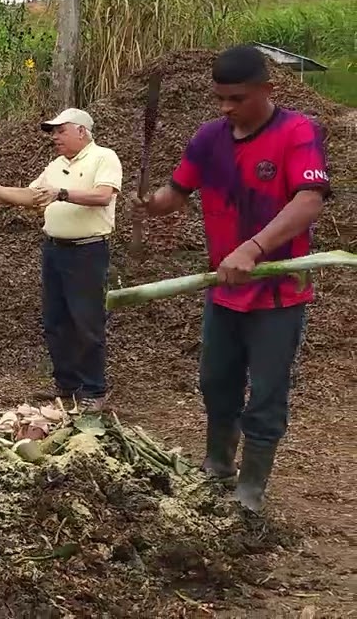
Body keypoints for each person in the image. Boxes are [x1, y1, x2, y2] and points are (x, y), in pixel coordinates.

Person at [135, 44, 329, 513]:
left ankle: (252, 487)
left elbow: (309, 201)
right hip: (224, 291)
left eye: (236, 98)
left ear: (266, 88)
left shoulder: (298, 131)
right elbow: (177, 192)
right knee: (216, 381)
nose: (226, 108)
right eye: (220, 98)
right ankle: (217, 465)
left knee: (266, 390)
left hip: (278, 293)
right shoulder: (208, 138)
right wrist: (154, 201)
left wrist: (254, 247)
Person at [0, 108, 122, 411]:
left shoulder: (104, 157)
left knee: (86, 322)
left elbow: (103, 196)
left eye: (60, 131)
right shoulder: (56, 165)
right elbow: (33, 197)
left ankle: (94, 391)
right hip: (55, 250)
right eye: (53, 132)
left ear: (81, 131)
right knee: (55, 321)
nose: (55, 138)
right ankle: (67, 385)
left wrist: (61, 193)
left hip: (88, 251)